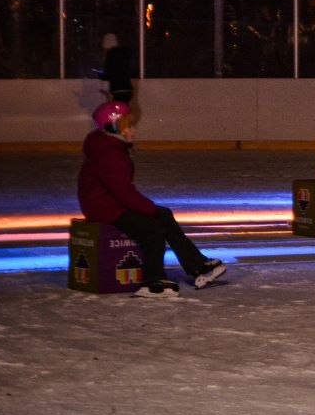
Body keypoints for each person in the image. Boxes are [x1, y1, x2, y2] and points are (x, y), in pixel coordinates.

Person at [77, 101, 226, 297]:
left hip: (107, 203)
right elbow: (124, 192)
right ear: (113, 127)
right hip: (105, 207)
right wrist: (150, 209)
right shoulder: (109, 153)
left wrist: (153, 210)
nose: (133, 131)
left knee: (163, 214)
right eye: (128, 127)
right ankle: (153, 281)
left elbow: (122, 192)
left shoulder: (108, 145)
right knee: (153, 228)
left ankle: (198, 266)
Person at [95, 33, 133, 103]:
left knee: (115, 111)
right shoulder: (124, 55)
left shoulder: (110, 56)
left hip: (117, 90)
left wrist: (98, 74)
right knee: (124, 110)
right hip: (128, 89)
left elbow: (108, 75)